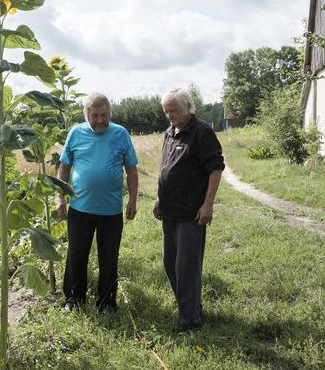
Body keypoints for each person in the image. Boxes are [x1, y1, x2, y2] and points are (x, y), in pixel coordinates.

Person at [57, 93, 139, 313]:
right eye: (95, 116)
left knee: (109, 257)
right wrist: (60, 197)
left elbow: (131, 169)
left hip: (111, 210)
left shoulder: (121, 134)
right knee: (76, 255)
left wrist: (132, 198)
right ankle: (74, 300)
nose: (100, 120)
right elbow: (64, 167)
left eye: (104, 115)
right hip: (80, 207)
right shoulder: (76, 133)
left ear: (110, 113)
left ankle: (107, 302)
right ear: (87, 115)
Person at [153, 88, 224, 332]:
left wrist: (208, 204)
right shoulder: (169, 133)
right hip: (169, 211)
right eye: (166, 111)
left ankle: (190, 319)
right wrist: (159, 200)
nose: (170, 115)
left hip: (191, 213)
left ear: (188, 108)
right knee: (170, 263)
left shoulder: (201, 132)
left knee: (187, 266)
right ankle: (190, 305)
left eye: (174, 110)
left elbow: (215, 168)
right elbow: (166, 169)